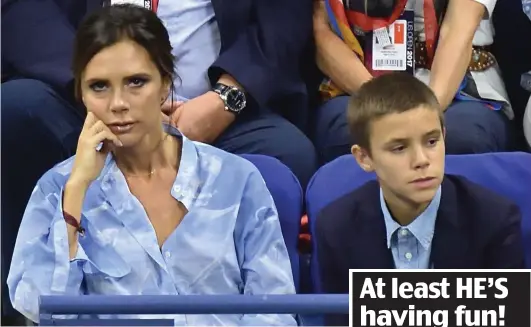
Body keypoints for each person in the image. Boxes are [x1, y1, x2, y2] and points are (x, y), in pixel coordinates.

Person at [1, 0, 313, 321]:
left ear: (166, 84)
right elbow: (40, 311)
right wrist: (77, 189)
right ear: (79, 92)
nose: (119, 103)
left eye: (137, 82)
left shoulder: (239, 181)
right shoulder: (57, 189)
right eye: (99, 86)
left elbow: (274, 312)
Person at [315, 73, 525, 326]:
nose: (422, 160)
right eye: (399, 148)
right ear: (364, 158)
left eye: (432, 141)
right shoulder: (336, 226)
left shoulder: (494, 219)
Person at [311, 0, 517, 164]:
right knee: (350, 133)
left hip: (457, 89)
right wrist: (382, 105)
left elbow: (458, 31)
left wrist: (424, 114)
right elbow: (323, 34)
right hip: (359, 83)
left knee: (460, 137)